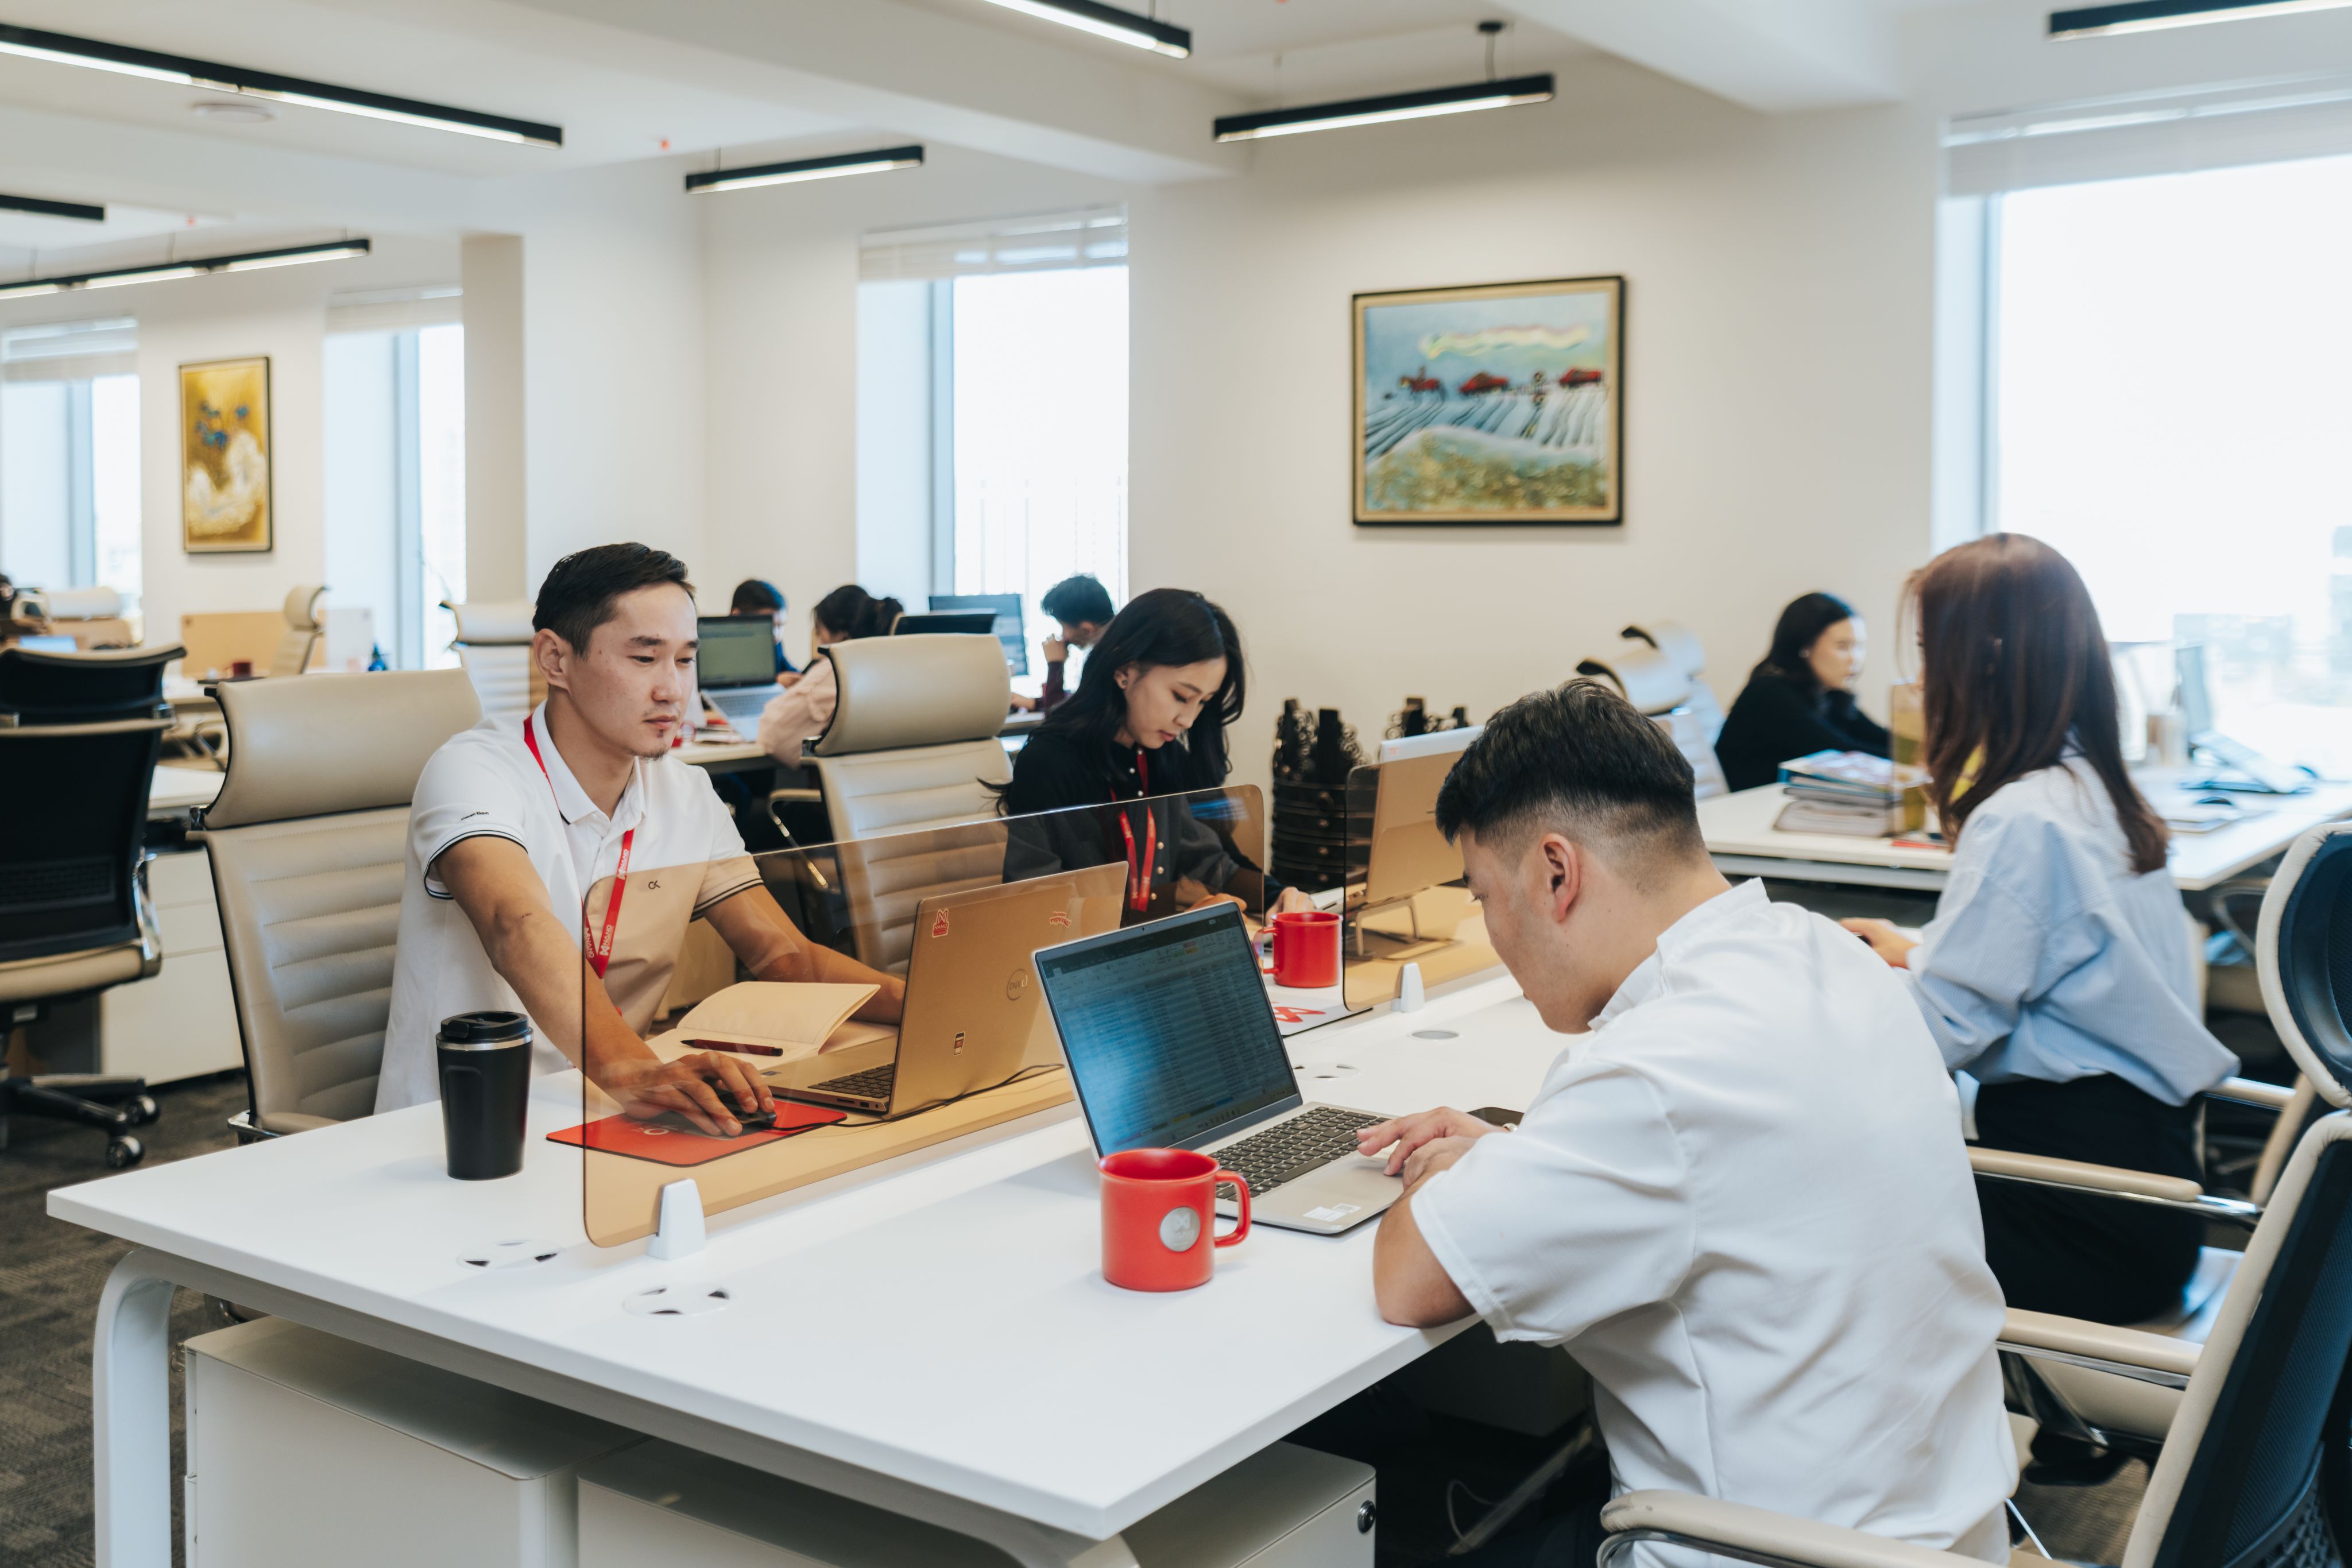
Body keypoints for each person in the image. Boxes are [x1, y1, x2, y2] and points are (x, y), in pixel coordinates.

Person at [1361, 679, 2013, 1567]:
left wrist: (1448, 1167)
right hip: (1944, 1532)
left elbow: (1408, 1279)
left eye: (1482, 894)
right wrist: (1526, 1155)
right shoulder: (1828, 952)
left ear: (1556, 872)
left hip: (1762, 1550)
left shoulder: (1652, 1068)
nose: (1492, 928)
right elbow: (1723, 1168)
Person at [1842, 535, 2238, 1333]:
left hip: (2078, 1217)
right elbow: (2055, 965)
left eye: (1930, 651)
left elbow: (1941, 1034)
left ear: (1983, 661)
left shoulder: (2021, 820)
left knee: (1811, 1222)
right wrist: (1915, 952)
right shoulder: (2089, 787)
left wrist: (1820, 974)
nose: (1920, 680)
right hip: (2147, 1200)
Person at [377, 544, 904, 1128]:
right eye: (645, 658)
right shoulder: (473, 771)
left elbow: (785, 956)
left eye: (685, 660)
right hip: (460, 1129)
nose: (673, 690)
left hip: (610, 1112)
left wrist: (924, 1003)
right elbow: (515, 924)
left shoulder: (686, 793)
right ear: (555, 659)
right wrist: (634, 1068)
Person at [997, 587, 1307, 922]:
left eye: (1203, 702)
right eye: (1181, 696)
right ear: (1124, 671)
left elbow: (1208, 859)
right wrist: (1170, 920)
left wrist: (1277, 896)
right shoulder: (1049, 761)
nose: (1188, 720)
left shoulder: (1163, 754)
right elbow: (1037, 908)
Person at [1713, 592, 1890, 791]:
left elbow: (1880, 738)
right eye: (1843, 646)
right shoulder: (1770, 693)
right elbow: (1841, 753)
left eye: (1859, 646)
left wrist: (1916, 750)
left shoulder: (1830, 692)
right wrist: (1914, 760)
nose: (1855, 659)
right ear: (1805, 647)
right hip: (1748, 804)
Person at [755, 584, 903, 767]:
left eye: (820, 632)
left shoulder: (834, 672)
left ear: (842, 635)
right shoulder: (890, 664)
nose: (819, 641)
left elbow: (772, 734)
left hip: (844, 780)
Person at [1026, 574, 1114, 715]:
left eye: (1064, 627)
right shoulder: (1118, 647)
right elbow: (1084, 702)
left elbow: (1057, 719)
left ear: (1087, 630)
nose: (1063, 637)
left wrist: (1055, 664)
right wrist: (1037, 703)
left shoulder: (1105, 662)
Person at [729, 578, 795, 677]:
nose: (776, 635)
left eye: (780, 625)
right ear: (736, 617)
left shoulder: (775, 643)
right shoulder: (718, 651)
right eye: (768, 626)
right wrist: (776, 682)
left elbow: (792, 673)